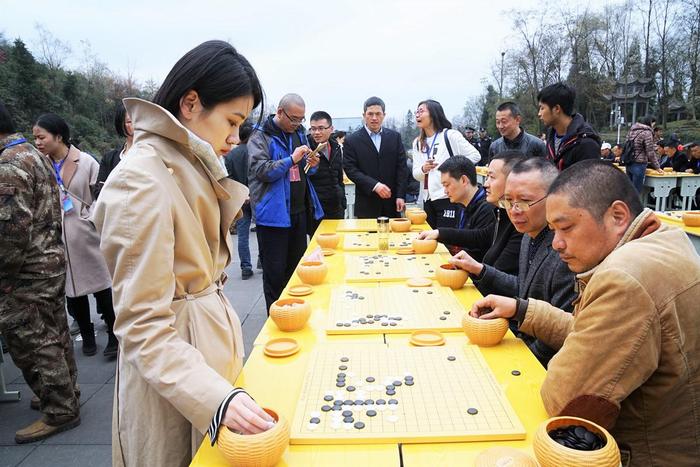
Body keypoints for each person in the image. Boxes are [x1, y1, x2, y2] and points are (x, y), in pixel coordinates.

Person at [91, 41, 275, 467]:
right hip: (178, 380)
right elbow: (141, 324)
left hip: (203, 363)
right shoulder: (140, 180)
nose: (234, 138)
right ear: (191, 102)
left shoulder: (183, 163)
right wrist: (216, 399)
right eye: (232, 121)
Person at [470, 160, 700, 466]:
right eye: (553, 230)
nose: (557, 243)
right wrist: (523, 309)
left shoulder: (624, 278)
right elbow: (592, 333)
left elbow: (563, 398)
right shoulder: (663, 241)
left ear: (618, 216)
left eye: (566, 227)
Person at [0, 100, 81, 443]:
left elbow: (10, 232)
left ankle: (60, 408)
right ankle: (66, 390)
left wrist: (3, 276)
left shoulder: (9, 164)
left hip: (26, 271)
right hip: (49, 262)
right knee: (55, 330)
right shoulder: (35, 155)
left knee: (33, 340)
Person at [459, 158, 575, 366]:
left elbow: (561, 334)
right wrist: (481, 270)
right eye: (508, 201)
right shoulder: (528, 235)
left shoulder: (565, 251)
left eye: (523, 201)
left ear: (553, 199)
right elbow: (526, 288)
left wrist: (513, 363)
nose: (514, 210)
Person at [33, 114, 117, 358]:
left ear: (58, 136)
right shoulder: (41, 164)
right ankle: (87, 336)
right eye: (35, 138)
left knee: (103, 288)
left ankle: (114, 335)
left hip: (86, 235)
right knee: (73, 293)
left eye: (42, 137)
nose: (37, 142)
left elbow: (101, 196)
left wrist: (89, 218)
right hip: (60, 238)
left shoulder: (86, 161)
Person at [248, 93, 323, 310]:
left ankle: (294, 314)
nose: (298, 124)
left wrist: (313, 163)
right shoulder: (260, 136)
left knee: (295, 272)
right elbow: (261, 171)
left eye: (301, 119)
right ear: (280, 112)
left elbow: (306, 170)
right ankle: (276, 321)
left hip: (298, 212)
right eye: (294, 119)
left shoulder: (299, 133)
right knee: (274, 275)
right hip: (273, 216)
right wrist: (291, 159)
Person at [419, 151, 525, 277]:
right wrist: (439, 233)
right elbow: (480, 236)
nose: (486, 184)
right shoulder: (500, 211)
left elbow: (503, 274)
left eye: (492, 177)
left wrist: (477, 269)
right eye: (486, 177)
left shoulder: (496, 211)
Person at [411, 99, 481, 229]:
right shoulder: (417, 142)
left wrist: (453, 169)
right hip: (427, 199)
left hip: (448, 197)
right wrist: (423, 168)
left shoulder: (450, 135)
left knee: (447, 241)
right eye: (417, 111)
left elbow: (475, 155)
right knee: (430, 240)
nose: (417, 115)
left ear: (433, 114)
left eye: (422, 111)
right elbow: (416, 174)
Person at [343, 96, 408, 218]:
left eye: (378, 114)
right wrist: (375, 185)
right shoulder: (352, 140)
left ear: (384, 115)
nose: (374, 118)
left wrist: (400, 195)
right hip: (366, 203)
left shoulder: (395, 137)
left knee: (394, 237)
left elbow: (402, 168)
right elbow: (350, 169)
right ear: (364, 115)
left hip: (392, 202)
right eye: (370, 114)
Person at [421, 156, 495, 259]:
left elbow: (476, 241)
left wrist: (440, 233)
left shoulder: (488, 208)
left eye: (447, 185)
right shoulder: (461, 204)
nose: (445, 191)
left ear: (464, 180)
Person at [537, 82, 601, 171]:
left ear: (557, 109)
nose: (539, 114)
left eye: (542, 108)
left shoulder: (585, 143)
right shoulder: (551, 136)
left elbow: (590, 181)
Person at [224, 121, 257, 280]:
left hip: (240, 199)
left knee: (242, 235)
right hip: (258, 196)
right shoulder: (256, 152)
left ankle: (245, 267)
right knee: (263, 231)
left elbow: (227, 178)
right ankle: (262, 261)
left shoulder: (230, 155)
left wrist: (241, 194)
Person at [307, 110, 346, 233]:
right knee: (317, 247)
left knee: (337, 243)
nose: (316, 132)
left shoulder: (336, 147)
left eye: (321, 128)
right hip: (316, 208)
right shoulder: (306, 148)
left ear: (331, 129)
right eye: (313, 129)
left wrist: (342, 201)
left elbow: (339, 177)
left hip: (336, 206)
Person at [94, 101, 133, 199]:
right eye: (129, 122)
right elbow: (98, 191)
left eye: (139, 120)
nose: (136, 125)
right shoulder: (109, 158)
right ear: (121, 125)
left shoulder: (153, 154)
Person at [624, 115, 663, 193]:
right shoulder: (647, 132)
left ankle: (628, 205)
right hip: (639, 164)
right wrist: (657, 167)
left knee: (629, 191)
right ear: (649, 122)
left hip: (629, 162)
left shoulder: (632, 130)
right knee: (636, 191)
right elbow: (650, 152)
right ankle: (636, 205)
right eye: (653, 124)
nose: (653, 126)